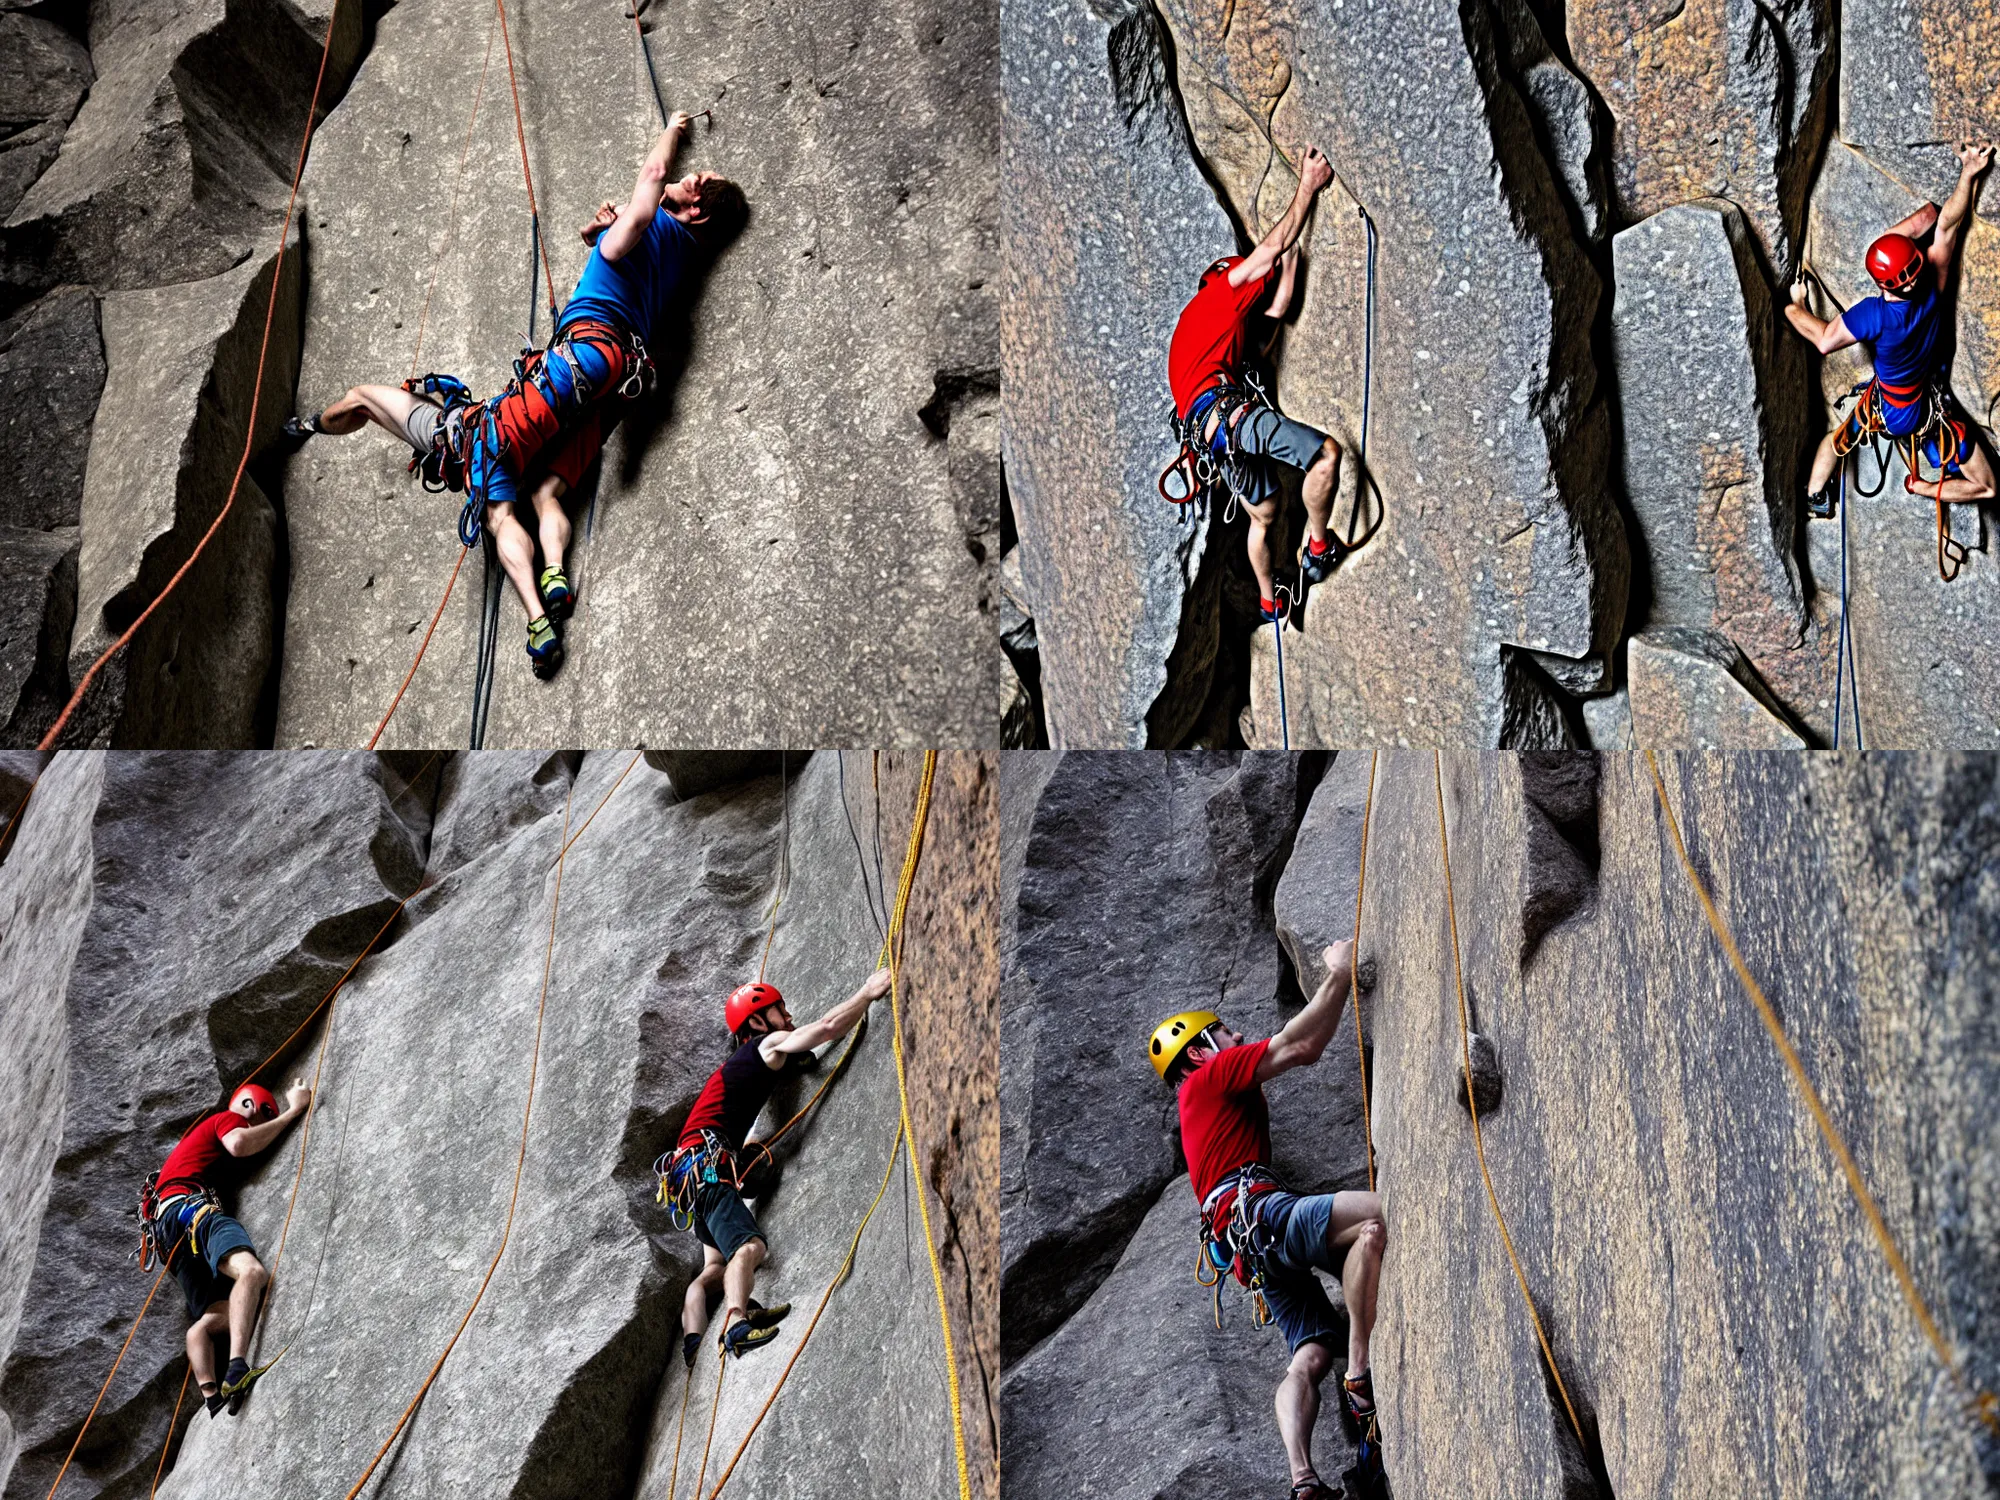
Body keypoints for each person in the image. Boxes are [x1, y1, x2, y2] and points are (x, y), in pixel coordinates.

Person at [286, 110, 749, 679]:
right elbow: (626, 245)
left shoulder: (653, 225)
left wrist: (674, 131)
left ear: (696, 206)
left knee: (487, 501)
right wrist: (601, 231)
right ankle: (554, 570)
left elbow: (653, 176)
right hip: (613, 382)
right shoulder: (678, 255)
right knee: (545, 490)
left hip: (579, 362)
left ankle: (536, 618)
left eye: (694, 180)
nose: (682, 177)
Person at [1149, 940, 1386, 1500]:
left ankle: (1302, 1477)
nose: (1236, 1037)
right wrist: (1338, 975)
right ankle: (1360, 1370)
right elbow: (1300, 1045)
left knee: (1308, 1353)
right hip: (1262, 1214)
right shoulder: (1208, 1079)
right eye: (1225, 1032)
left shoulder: (1197, 1116)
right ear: (1200, 1051)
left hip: (1243, 1252)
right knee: (1383, 1212)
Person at [661, 969, 892, 1363]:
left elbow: (740, 1126)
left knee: (711, 1269)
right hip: (709, 1169)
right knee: (749, 1247)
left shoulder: (736, 1071)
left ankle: (693, 1344)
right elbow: (827, 1027)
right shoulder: (765, 1046)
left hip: (687, 1181)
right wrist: (867, 992)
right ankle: (736, 1321)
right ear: (756, 1022)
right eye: (778, 1010)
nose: (787, 1017)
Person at [1166, 144, 1345, 620]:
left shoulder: (1203, 338)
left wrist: (1289, 268)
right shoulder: (1215, 300)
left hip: (1215, 439)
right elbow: (1265, 253)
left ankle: (1269, 600)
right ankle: (1318, 550)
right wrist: (1307, 185)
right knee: (1326, 456)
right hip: (1233, 419)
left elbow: (1275, 315)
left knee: (1264, 515)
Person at [1787, 141, 1995, 526]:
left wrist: (1794, 307)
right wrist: (1968, 171)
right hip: (1927, 396)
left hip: (1893, 408)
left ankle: (1819, 496)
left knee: (1837, 438)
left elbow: (1824, 340)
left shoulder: (1875, 315)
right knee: (1987, 486)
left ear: (1883, 284)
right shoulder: (1934, 275)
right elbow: (1942, 220)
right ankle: (1925, 486)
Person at [145, 1080, 311, 1417]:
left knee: (211, 1318)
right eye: (261, 1118)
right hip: (191, 1209)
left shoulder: (189, 1154)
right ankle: (237, 1368)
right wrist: (296, 1110)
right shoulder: (227, 1119)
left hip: (169, 1239)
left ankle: (210, 1394)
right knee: (250, 1273)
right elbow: (238, 1143)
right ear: (251, 1108)